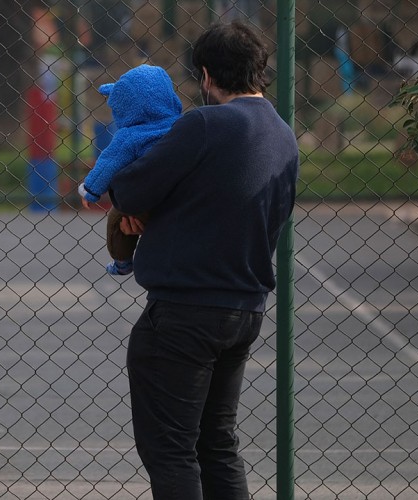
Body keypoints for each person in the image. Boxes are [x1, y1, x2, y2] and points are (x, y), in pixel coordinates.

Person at [108, 21, 299, 499]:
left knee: (171, 449)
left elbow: (130, 188)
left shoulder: (205, 124)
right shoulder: (281, 133)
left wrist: (139, 209)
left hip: (184, 311)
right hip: (244, 306)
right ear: (259, 70)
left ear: (207, 74)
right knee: (217, 443)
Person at [78, 64, 183, 275]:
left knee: (118, 222)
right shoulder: (182, 126)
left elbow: (108, 163)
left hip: (144, 201)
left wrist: (91, 189)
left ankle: (122, 261)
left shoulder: (129, 136)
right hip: (180, 199)